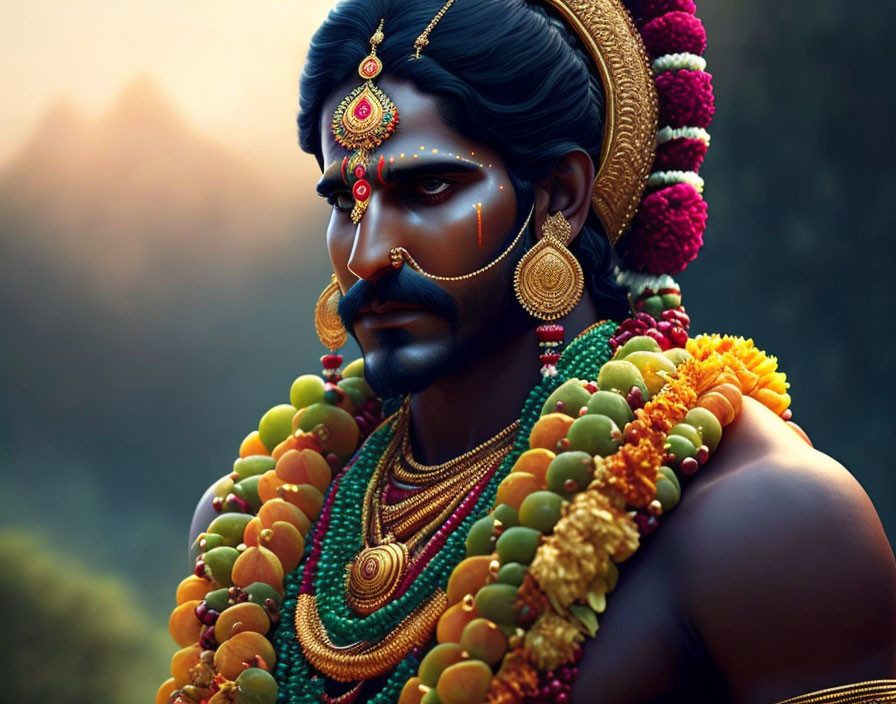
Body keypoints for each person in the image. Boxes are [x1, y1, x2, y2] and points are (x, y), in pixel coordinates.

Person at [161, 1, 896, 703]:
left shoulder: (768, 523)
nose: (369, 250)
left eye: (427, 187)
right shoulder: (251, 529)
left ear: (559, 198)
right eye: (345, 202)